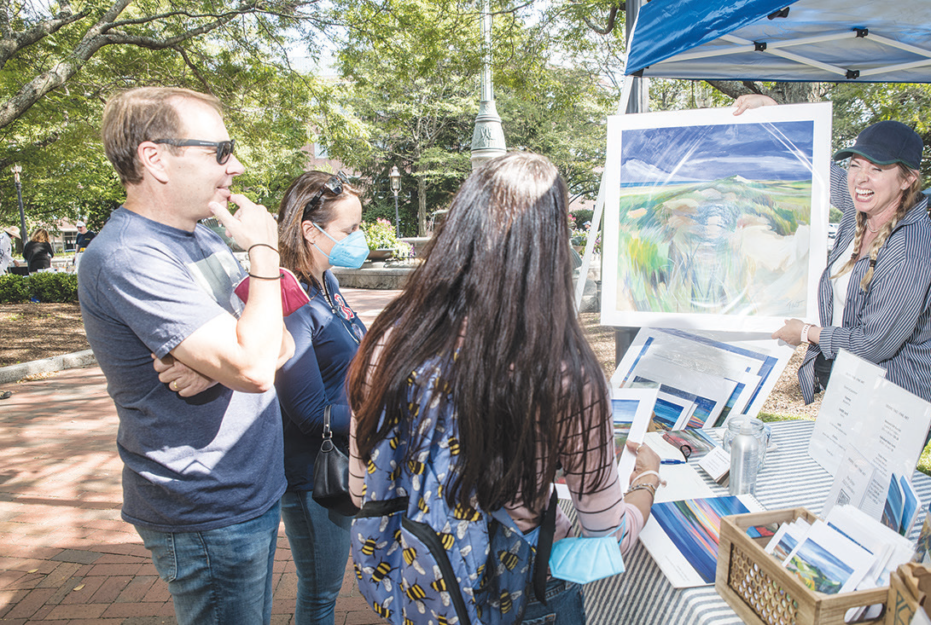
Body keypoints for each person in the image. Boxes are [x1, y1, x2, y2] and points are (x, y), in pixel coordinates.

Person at [347, 152, 662, 623]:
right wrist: (645, 484)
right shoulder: (564, 371)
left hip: (418, 577)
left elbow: (361, 492)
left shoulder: (391, 339)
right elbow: (605, 531)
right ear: (552, 244)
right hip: (521, 589)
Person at [78, 86, 294, 625]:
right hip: (206, 507)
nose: (236, 166)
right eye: (220, 151)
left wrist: (225, 366)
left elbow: (279, 342)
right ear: (155, 158)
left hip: (250, 490)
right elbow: (254, 363)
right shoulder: (129, 255)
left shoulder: (204, 240)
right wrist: (264, 255)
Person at [735, 95, 931, 437]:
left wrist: (806, 333)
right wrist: (779, 114)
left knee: (867, 490)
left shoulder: (909, 251)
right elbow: (818, 167)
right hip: (857, 383)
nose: (860, 179)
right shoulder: (863, 210)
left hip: (900, 397)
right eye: (856, 165)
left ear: (908, 179)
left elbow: (873, 344)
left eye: (877, 169)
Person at [273, 171, 369, 625]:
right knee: (321, 591)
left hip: (339, 459)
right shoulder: (289, 298)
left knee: (325, 587)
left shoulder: (326, 282)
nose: (359, 239)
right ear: (312, 231)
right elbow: (308, 411)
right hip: (312, 474)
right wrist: (390, 414)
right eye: (350, 230)